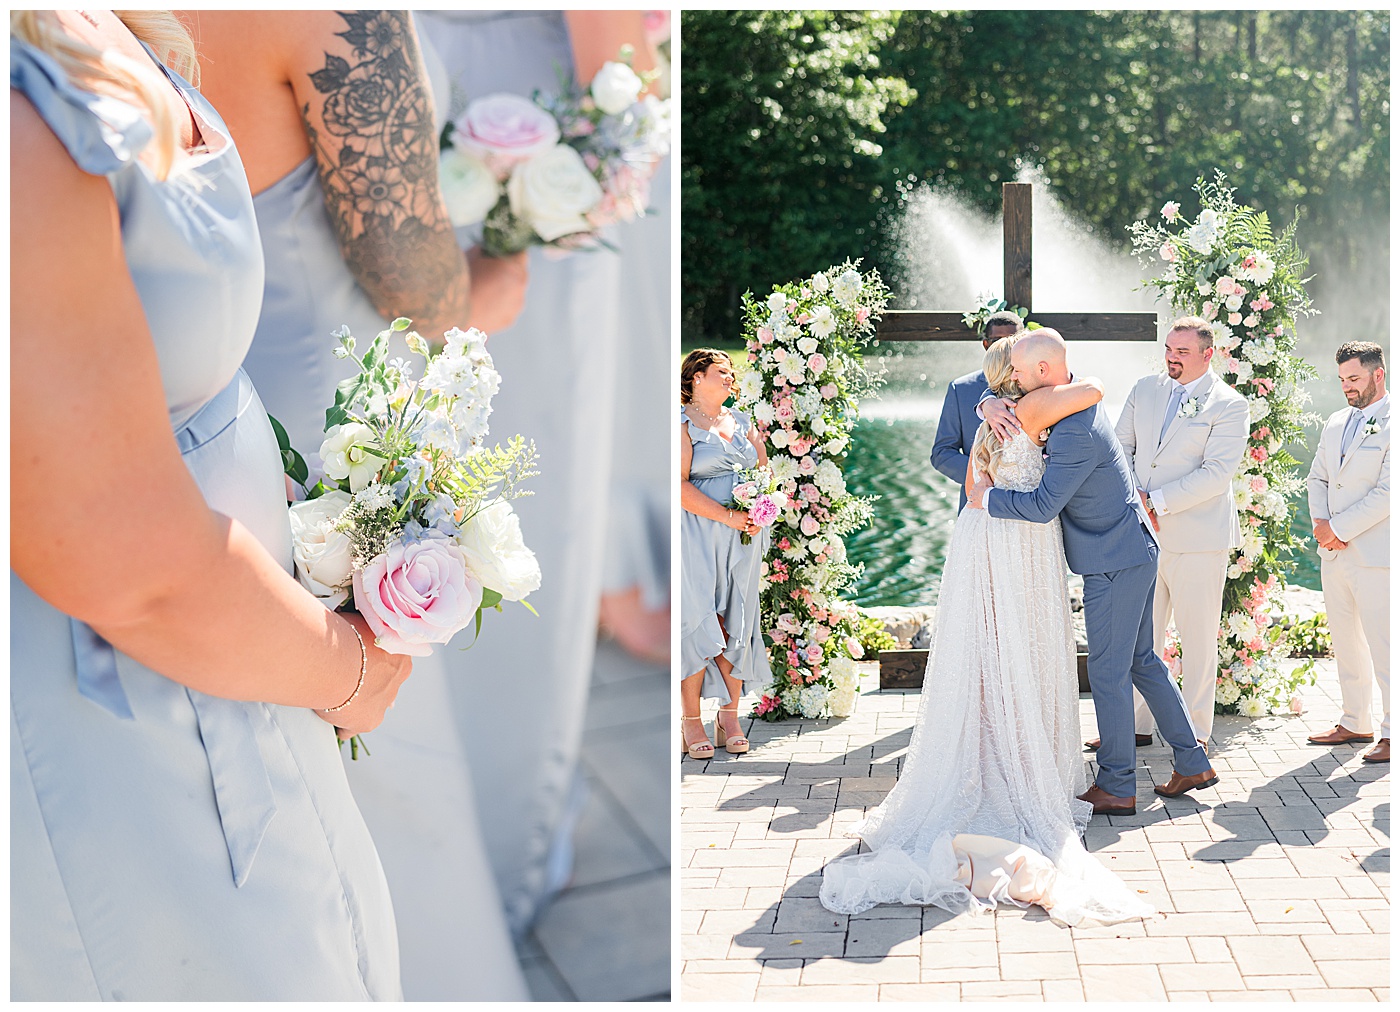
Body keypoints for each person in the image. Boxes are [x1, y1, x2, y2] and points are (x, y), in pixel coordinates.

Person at [11, 11, 407, 998]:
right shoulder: (18, 123)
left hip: (229, 652)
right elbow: (130, 569)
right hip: (114, 709)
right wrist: (353, 672)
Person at [177, 11, 529, 998]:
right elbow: (420, 291)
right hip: (335, 421)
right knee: (385, 749)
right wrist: (497, 276)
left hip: (195, 406)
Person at [412, 8, 655, 933]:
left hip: (527, 215)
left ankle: (494, 823)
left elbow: (618, 86)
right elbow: (626, 82)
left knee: (490, 507)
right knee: (496, 508)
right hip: (497, 191)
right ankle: (493, 827)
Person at [820, 335, 1151, 926]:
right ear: (1016, 376)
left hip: (984, 533)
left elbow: (986, 465)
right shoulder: (1034, 407)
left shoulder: (993, 413)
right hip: (1016, 537)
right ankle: (1020, 761)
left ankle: (989, 749)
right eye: (1018, 370)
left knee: (987, 646)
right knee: (1023, 646)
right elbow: (1092, 388)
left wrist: (984, 413)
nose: (1024, 378)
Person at [973, 330, 1217, 815]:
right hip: (1128, 550)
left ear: (1044, 372)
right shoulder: (1072, 398)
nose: (1013, 379)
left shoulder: (1073, 431)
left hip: (1114, 561)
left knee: (1108, 672)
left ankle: (1118, 785)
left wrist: (987, 498)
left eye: (1019, 371)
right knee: (1142, 661)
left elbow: (1043, 506)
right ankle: (1192, 762)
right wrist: (987, 402)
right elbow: (1020, 392)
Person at [1106, 316, 1249, 753]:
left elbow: (1217, 473)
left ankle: (1196, 733)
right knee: (1141, 637)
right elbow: (1120, 447)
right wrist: (1135, 498)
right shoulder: (1144, 389)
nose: (1172, 357)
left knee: (1197, 639)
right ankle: (1136, 726)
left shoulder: (1229, 404)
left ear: (1208, 355)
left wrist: (1156, 500)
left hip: (1199, 541)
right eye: (1169, 349)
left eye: (1182, 351)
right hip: (1144, 536)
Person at [680, 349, 769, 760]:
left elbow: (764, 472)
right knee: (699, 618)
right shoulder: (681, 425)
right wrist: (728, 516)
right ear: (697, 377)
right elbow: (677, 485)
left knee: (739, 619)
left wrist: (761, 510)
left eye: (732, 372)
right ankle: (691, 721)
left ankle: (729, 717)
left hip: (744, 539)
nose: (730, 378)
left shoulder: (744, 422)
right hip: (699, 534)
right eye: (722, 372)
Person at [1305, 341, 1390, 764]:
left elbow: (1388, 493)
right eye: (1342, 379)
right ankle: (1356, 720)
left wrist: (1338, 529)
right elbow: (1317, 478)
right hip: (1334, 553)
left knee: (1385, 643)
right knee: (1346, 641)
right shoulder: (1336, 421)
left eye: (1354, 378)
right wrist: (1323, 526)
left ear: (1379, 374)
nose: (1347, 387)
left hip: (1376, 555)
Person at [930, 310, 1024, 510]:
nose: (1007, 348)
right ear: (986, 344)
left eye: (1013, 341)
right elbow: (942, 453)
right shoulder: (961, 389)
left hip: (1026, 502)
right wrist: (981, 475)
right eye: (998, 341)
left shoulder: (1037, 384)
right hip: (977, 504)